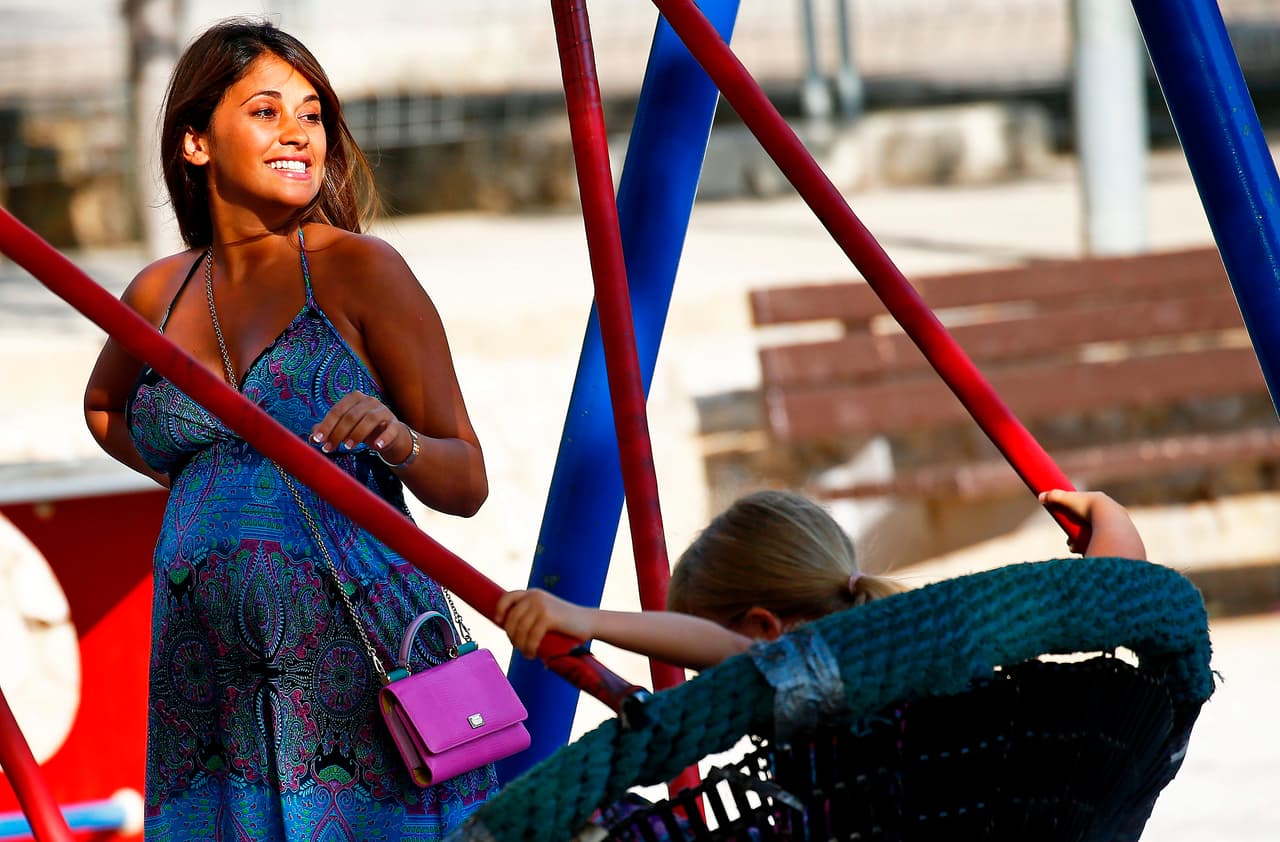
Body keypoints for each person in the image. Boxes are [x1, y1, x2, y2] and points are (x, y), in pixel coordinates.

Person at [83, 18, 495, 839]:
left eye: (311, 114)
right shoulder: (158, 292)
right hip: (207, 680)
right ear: (196, 143)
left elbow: (467, 481)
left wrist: (392, 436)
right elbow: (104, 410)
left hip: (357, 663)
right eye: (267, 111)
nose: (299, 134)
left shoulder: (358, 269)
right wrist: (209, 482)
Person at [498, 487, 1146, 670]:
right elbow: (1118, 596)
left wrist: (585, 620)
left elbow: (736, 655)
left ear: (764, 626)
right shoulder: (933, 634)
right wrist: (1105, 513)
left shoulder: (819, 675)